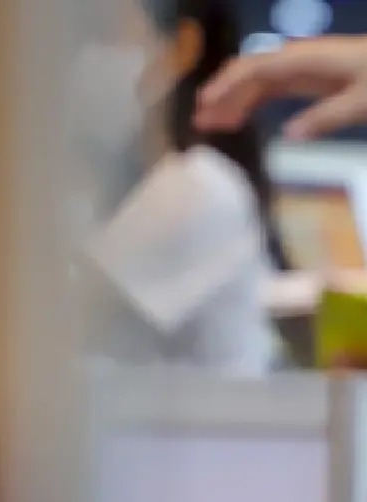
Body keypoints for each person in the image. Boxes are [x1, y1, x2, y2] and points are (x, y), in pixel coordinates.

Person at [79, 0, 285, 373]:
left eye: (103, 33)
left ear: (182, 49)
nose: (78, 58)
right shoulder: (133, 187)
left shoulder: (197, 189)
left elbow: (51, 328)